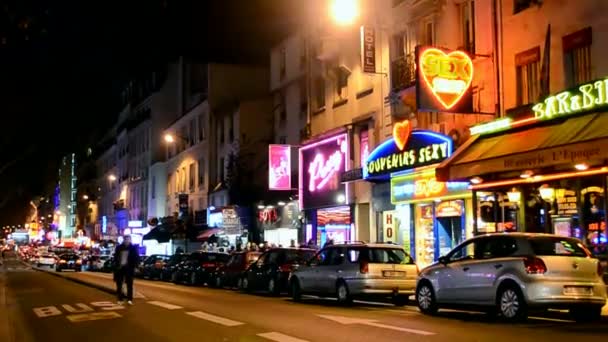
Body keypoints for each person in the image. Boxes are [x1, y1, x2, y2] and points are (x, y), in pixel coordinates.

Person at [113, 235, 139, 305]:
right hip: (120, 268)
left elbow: (136, 258)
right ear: (123, 240)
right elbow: (115, 257)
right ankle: (120, 299)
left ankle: (129, 299)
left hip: (129, 268)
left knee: (129, 284)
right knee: (119, 284)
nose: (127, 241)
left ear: (130, 240)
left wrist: (136, 267)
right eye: (126, 239)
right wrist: (116, 266)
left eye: (128, 239)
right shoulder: (119, 248)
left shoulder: (133, 248)